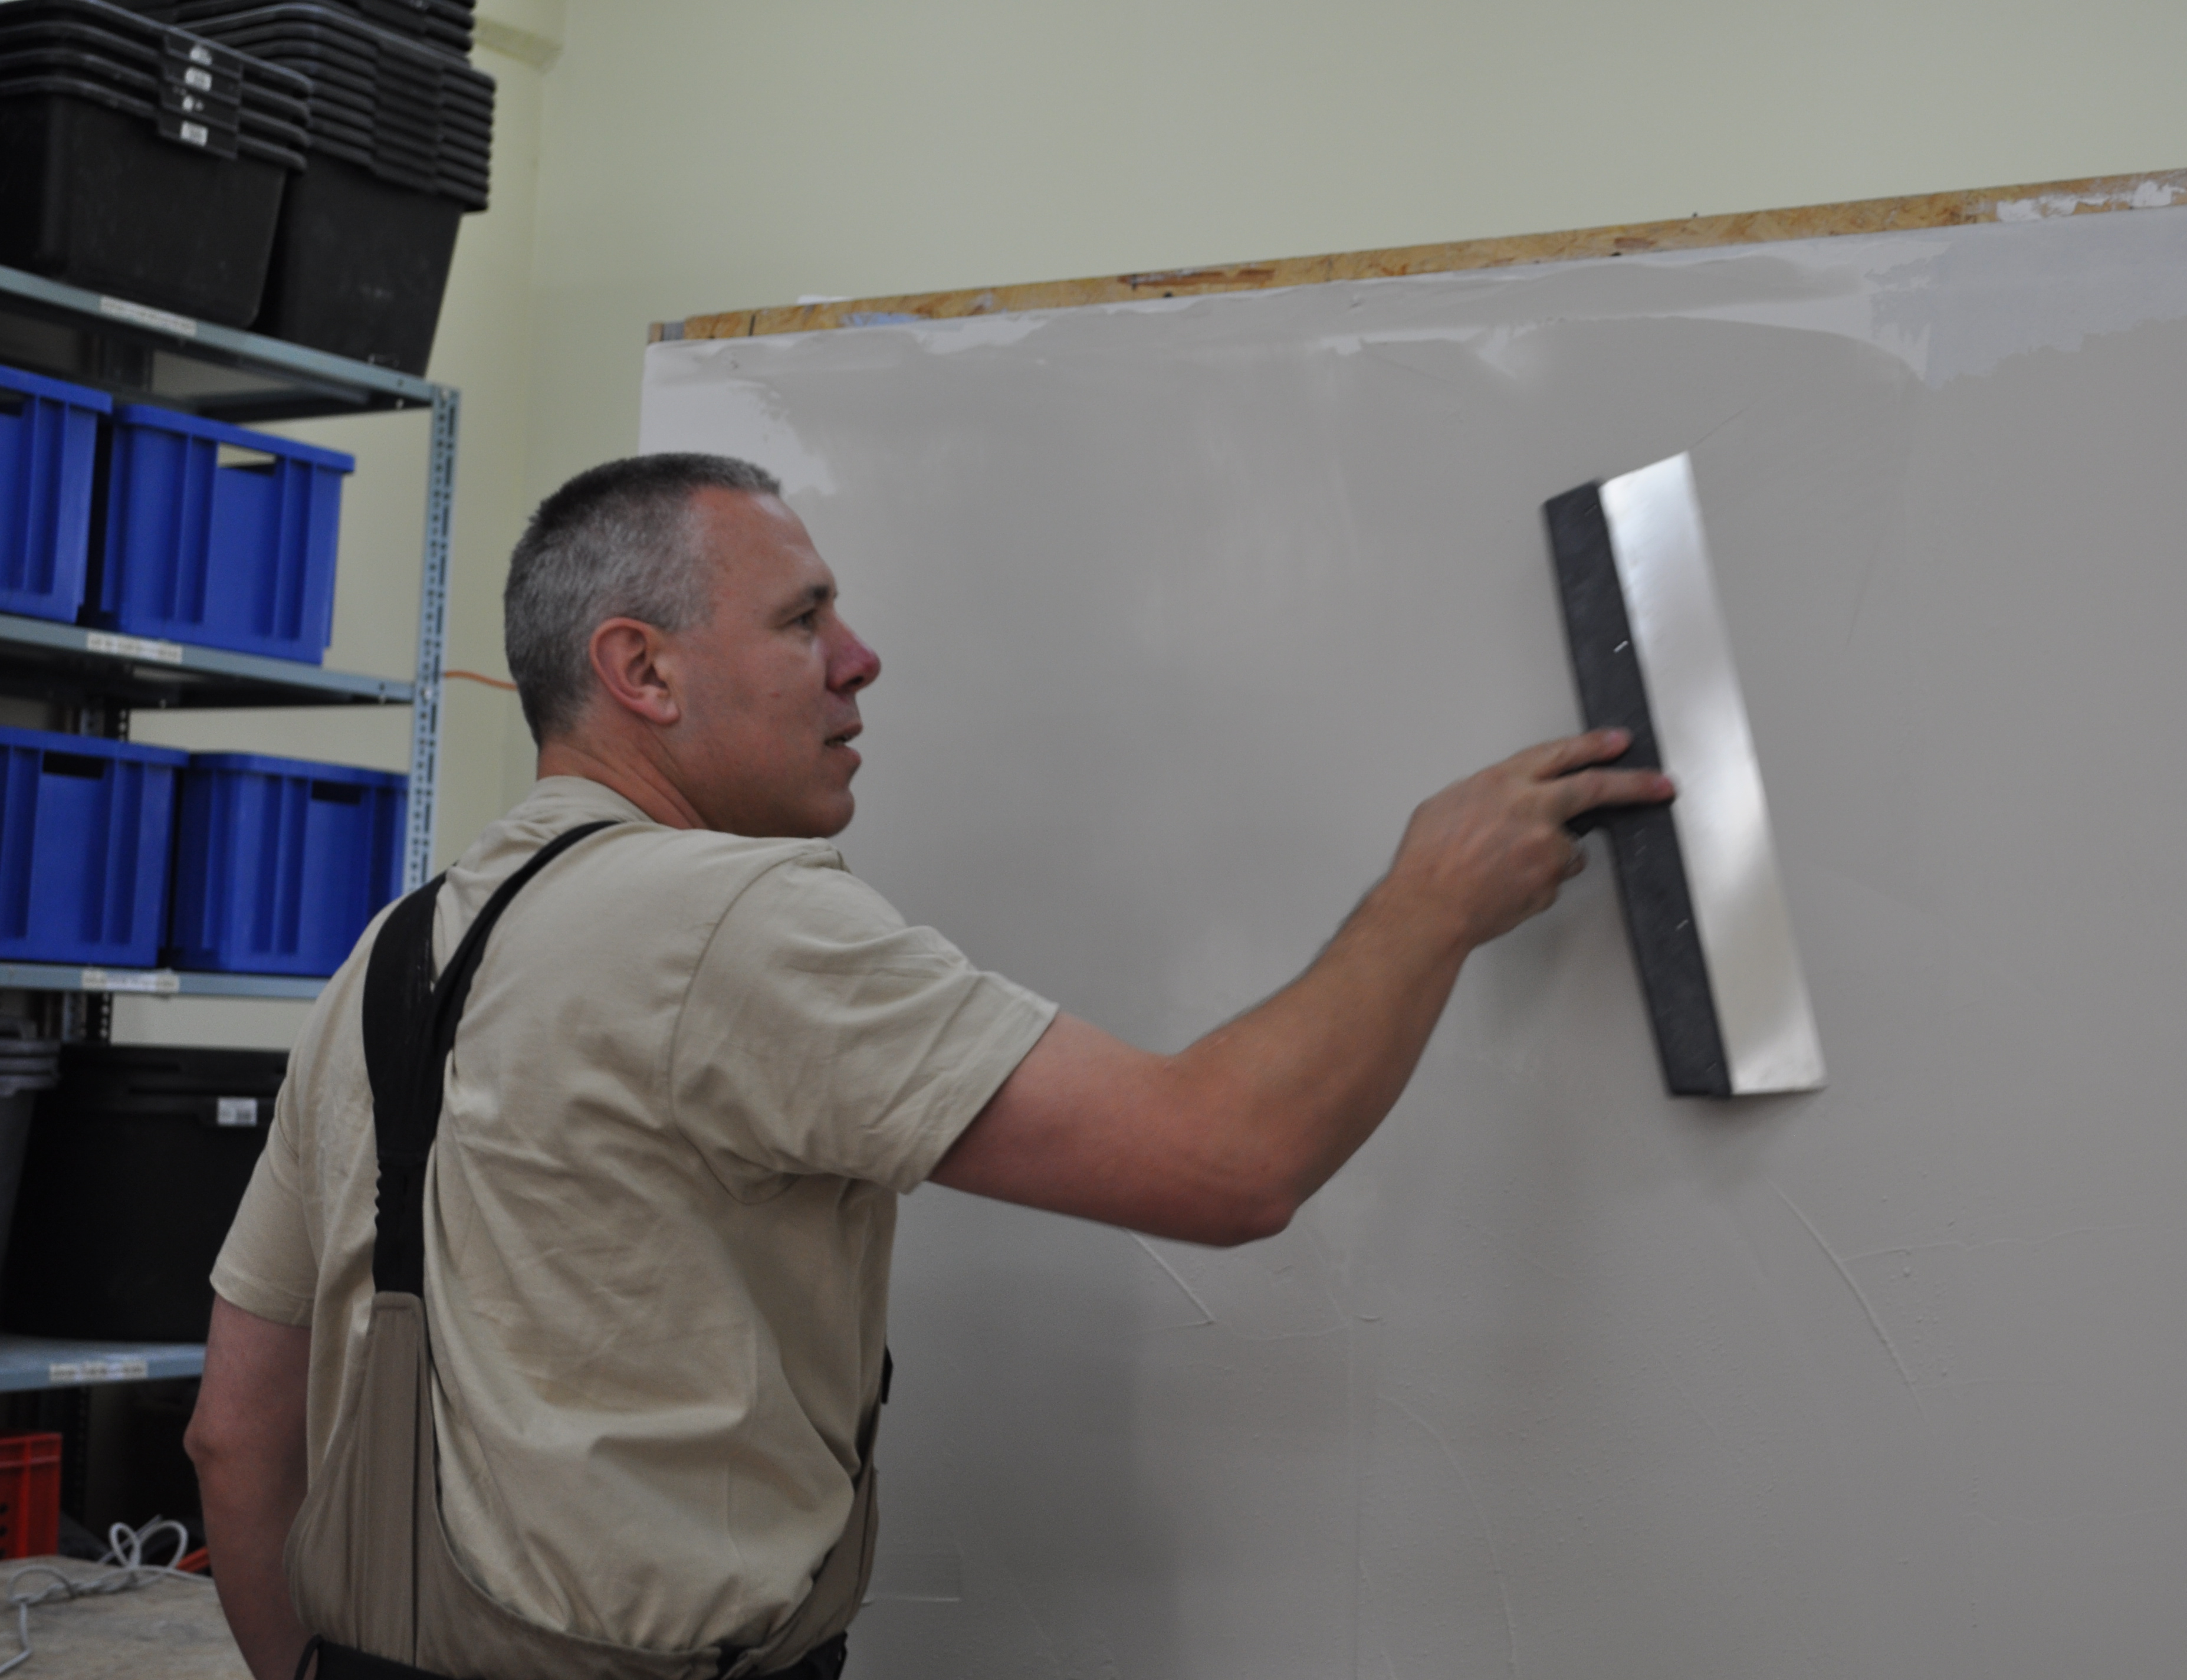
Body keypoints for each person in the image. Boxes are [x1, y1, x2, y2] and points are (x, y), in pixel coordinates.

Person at [183, 454, 1670, 1679]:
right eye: (802, 619)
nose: (859, 658)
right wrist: (1430, 899)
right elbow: (1228, 1160)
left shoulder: (393, 953)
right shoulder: (731, 919)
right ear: (640, 669)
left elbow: (236, 1430)